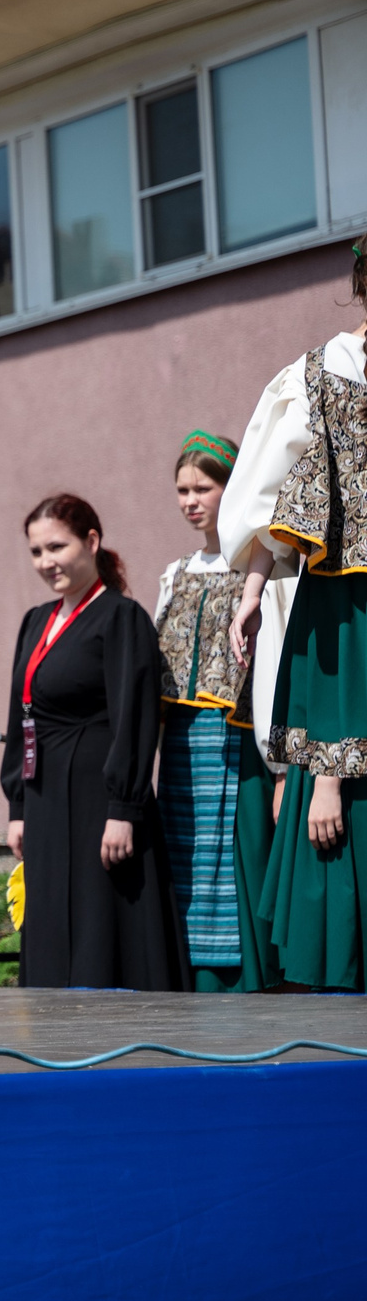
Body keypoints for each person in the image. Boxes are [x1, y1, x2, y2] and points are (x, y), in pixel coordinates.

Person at [224, 256, 367, 990]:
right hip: (346, 601)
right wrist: (252, 589)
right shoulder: (318, 375)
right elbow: (278, 504)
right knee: (340, 773)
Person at [2, 494, 184, 990]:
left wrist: (123, 808)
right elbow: (22, 718)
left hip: (98, 803)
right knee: (52, 925)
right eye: (36, 552)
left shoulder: (121, 617)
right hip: (45, 802)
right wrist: (18, 805)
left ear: (91, 541)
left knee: (101, 924)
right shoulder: (35, 621)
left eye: (57, 547)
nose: (47, 562)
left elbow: (134, 717)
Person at [154, 433, 272, 991]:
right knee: (188, 856)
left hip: (236, 736)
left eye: (203, 487)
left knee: (234, 855)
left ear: (232, 485)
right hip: (180, 744)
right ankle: (190, 977)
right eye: (182, 490)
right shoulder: (176, 573)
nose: (190, 501)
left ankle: (239, 981)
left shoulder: (259, 567)